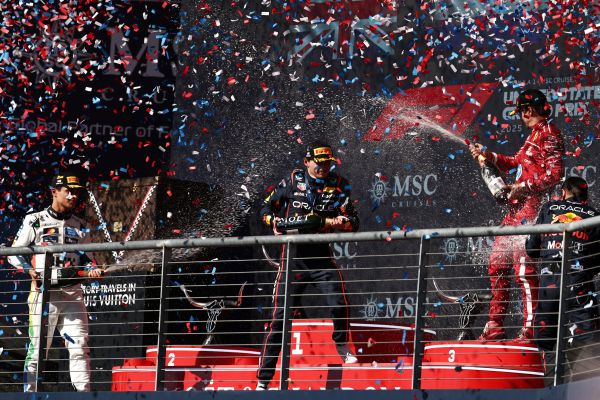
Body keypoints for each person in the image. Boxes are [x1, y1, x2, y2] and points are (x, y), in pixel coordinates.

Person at [256, 141, 359, 390]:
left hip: (321, 256)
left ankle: (341, 345)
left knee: (339, 302)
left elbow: (354, 222)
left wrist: (332, 222)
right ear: (307, 161)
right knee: (279, 320)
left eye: (327, 164)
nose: (323, 168)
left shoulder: (339, 184)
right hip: (293, 259)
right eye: (318, 163)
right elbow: (265, 207)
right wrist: (274, 222)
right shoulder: (294, 180)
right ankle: (263, 380)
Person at [469, 89, 565, 341]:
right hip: (516, 210)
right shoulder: (535, 135)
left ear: (528, 110)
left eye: (522, 111)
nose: (521, 116)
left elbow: (555, 175)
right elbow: (514, 163)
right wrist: (487, 155)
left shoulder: (549, 133)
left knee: (524, 269)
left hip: (533, 209)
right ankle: (495, 324)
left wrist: (523, 187)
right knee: (497, 262)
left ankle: (530, 329)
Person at [8, 171, 103, 392]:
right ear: (54, 192)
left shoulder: (80, 225)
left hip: (72, 293)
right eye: (68, 191)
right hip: (44, 293)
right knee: (38, 349)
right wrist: (30, 271)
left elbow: (88, 260)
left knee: (80, 347)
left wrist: (94, 269)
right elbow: (13, 253)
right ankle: (30, 395)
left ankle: (84, 395)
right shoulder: (34, 220)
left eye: (76, 192)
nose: (73, 196)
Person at [526, 176, 600, 383]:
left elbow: (531, 248)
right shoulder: (594, 215)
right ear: (585, 196)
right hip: (579, 285)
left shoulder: (549, 208)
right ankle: (581, 388)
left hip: (549, 283)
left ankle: (552, 389)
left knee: (546, 341)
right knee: (586, 338)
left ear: (564, 191)